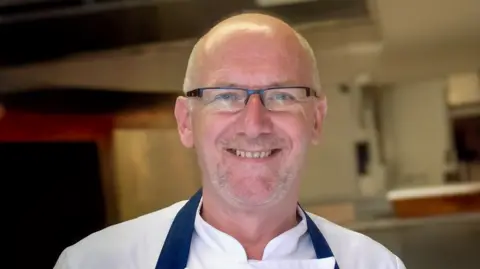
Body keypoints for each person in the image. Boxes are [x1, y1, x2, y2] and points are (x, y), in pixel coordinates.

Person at [54, 13, 406, 269]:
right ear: (185, 121)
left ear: (316, 119)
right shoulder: (94, 262)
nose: (254, 124)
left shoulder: (375, 264)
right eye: (225, 96)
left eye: (282, 95)